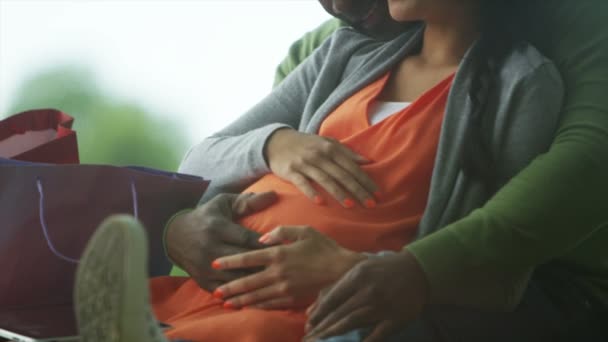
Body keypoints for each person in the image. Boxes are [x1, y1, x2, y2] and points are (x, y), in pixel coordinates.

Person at [73, 1, 608, 342]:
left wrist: (363, 268)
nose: (336, 5)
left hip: (347, 289)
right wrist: (271, 147)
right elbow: (203, 161)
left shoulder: (524, 81)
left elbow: (498, 260)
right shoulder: (344, 52)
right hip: (231, 280)